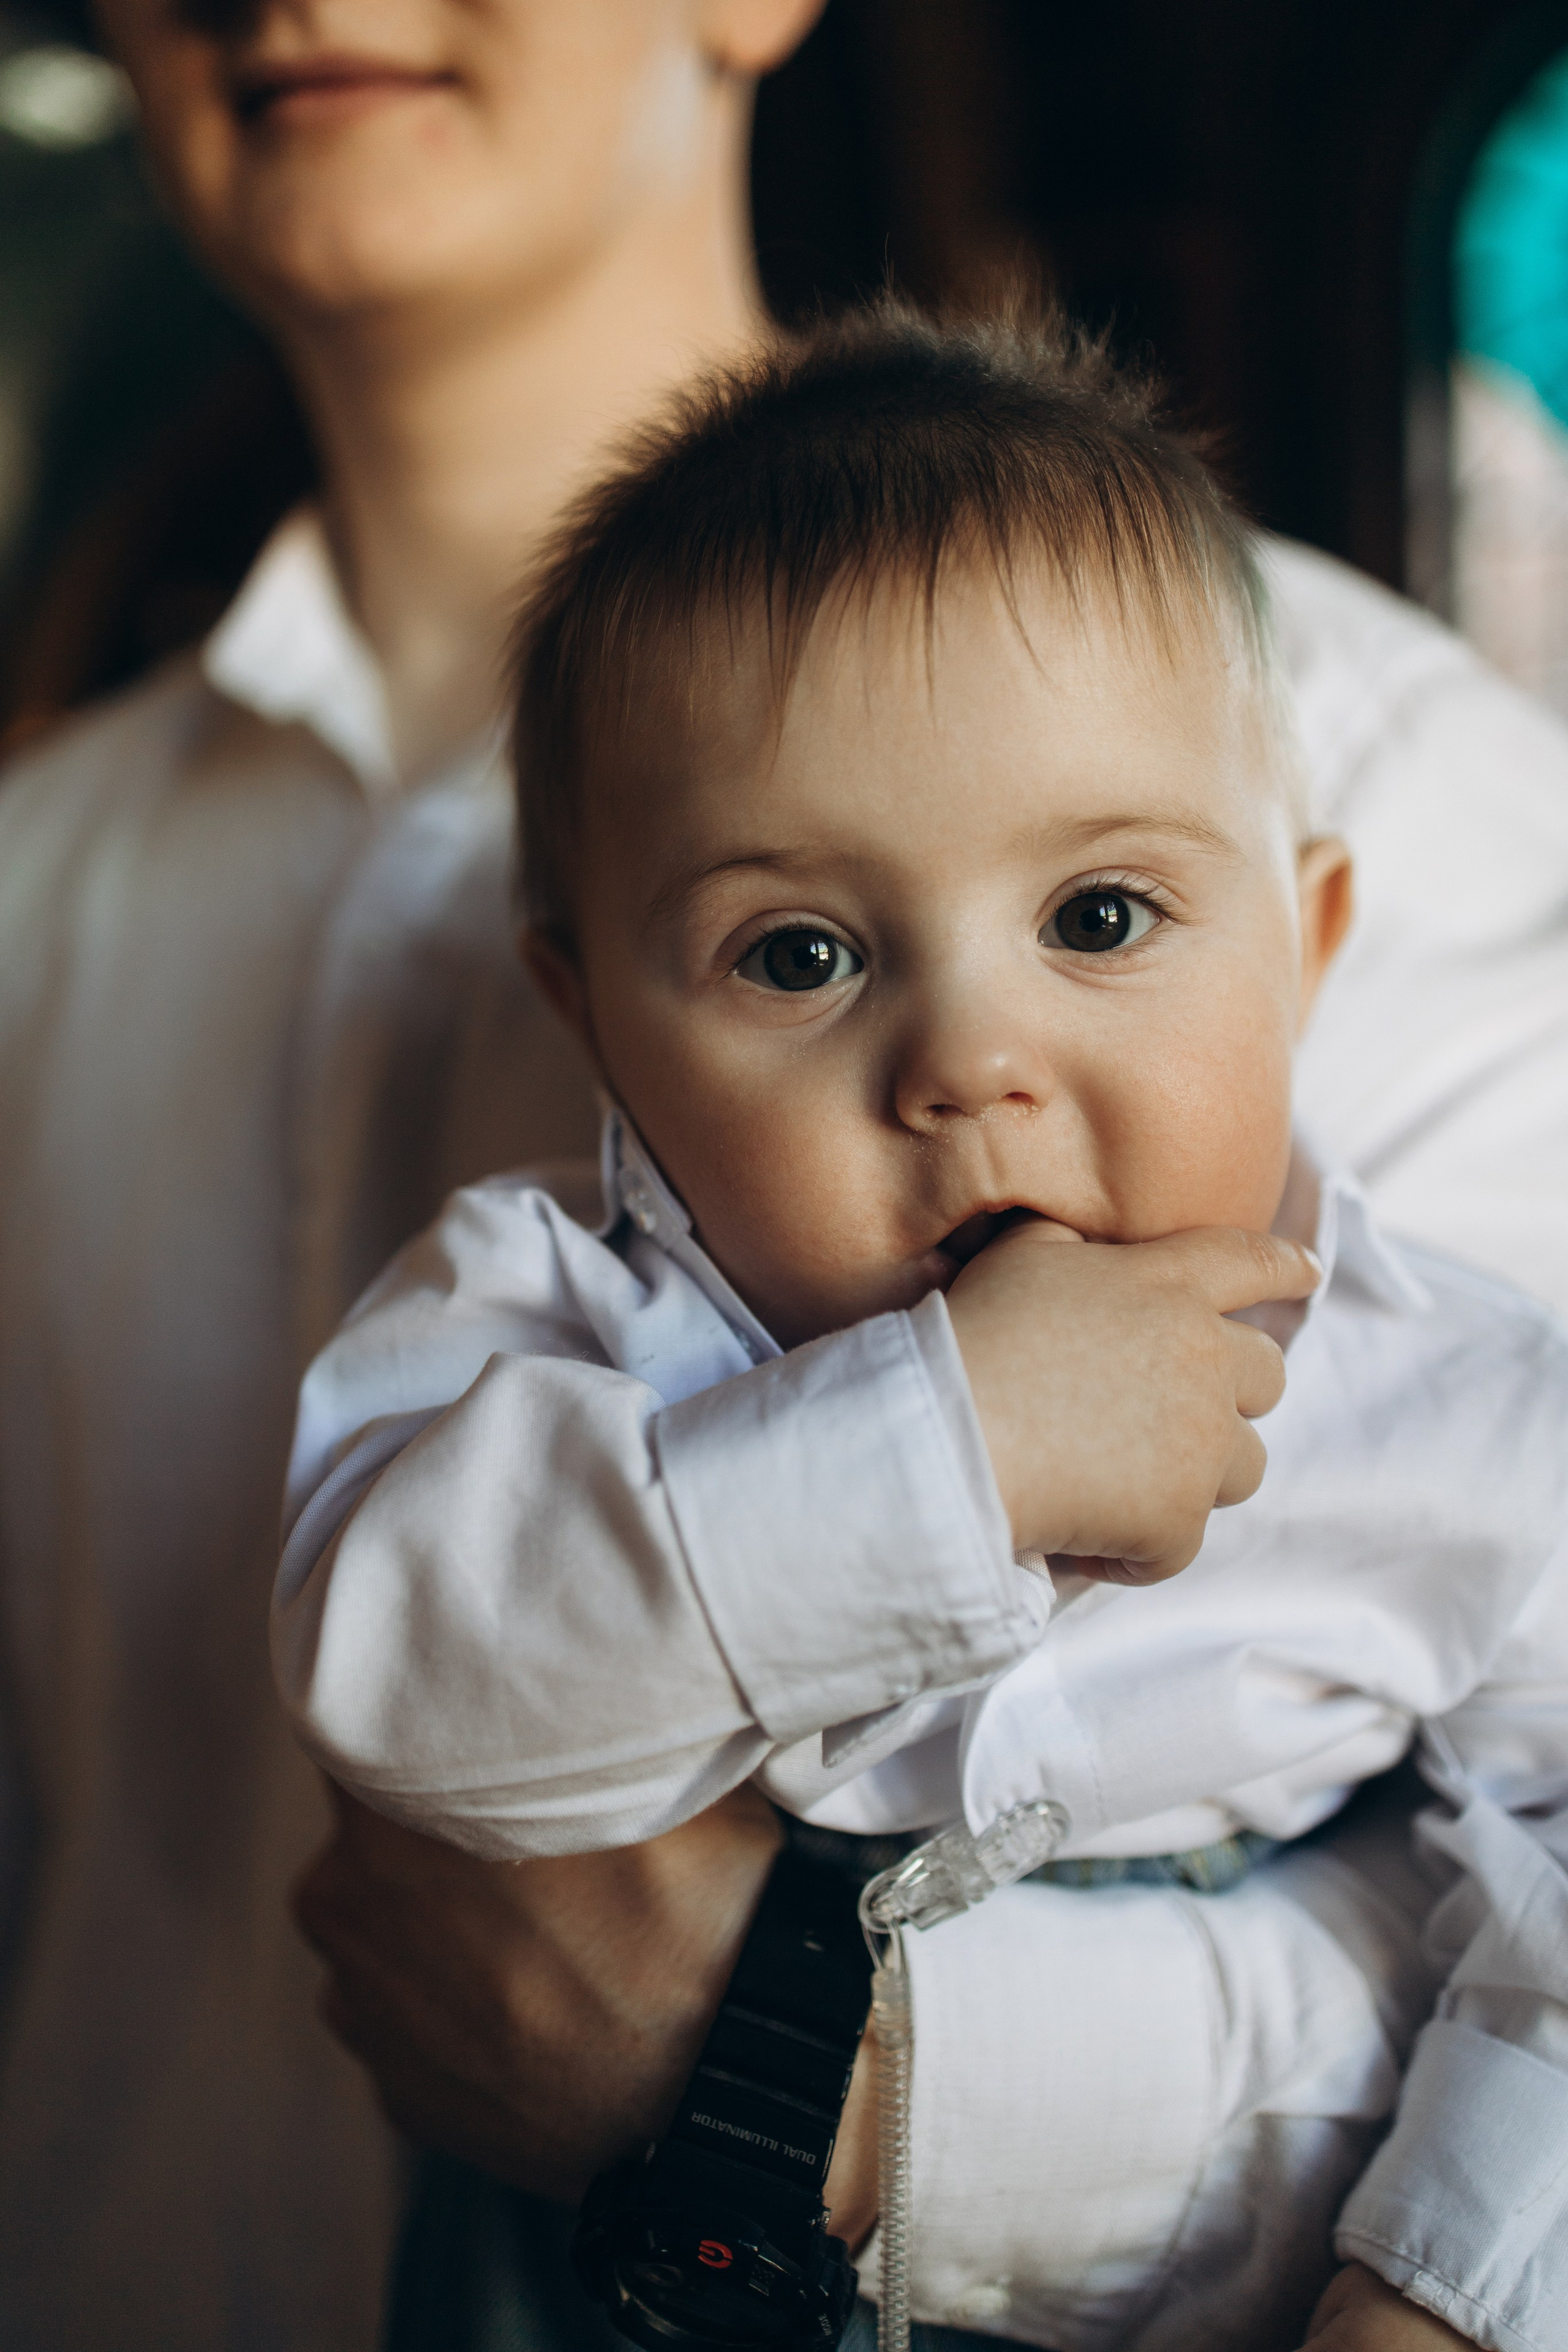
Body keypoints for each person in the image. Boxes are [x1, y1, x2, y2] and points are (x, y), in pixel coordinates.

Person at [0, 4, 1564, 2350]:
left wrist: (797, 2078)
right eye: (800, 955)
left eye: (1100, 920)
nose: (976, 1061)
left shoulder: (1385, 771)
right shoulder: (35, 887)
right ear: (580, 996)